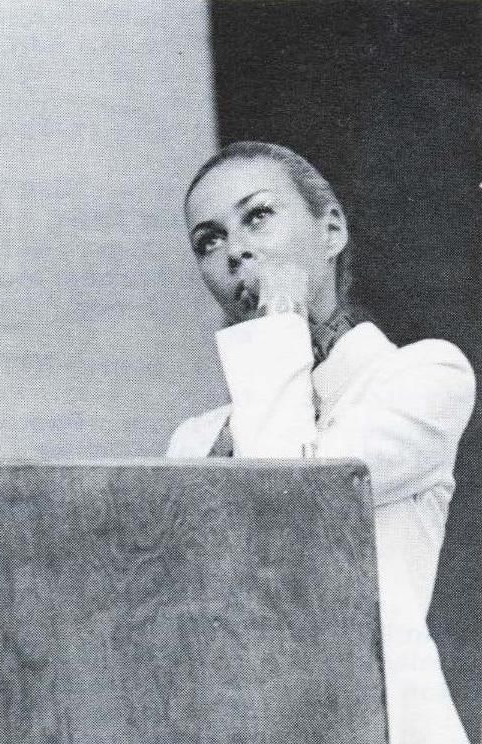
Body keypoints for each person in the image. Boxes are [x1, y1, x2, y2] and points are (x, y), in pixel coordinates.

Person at [168, 141, 474, 743]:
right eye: (209, 240)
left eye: (258, 216)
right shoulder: (196, 440)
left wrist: (277, 330)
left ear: (330, 229)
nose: (235, 250)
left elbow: (288, 505)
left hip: (380, 719)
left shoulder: (424, 377)